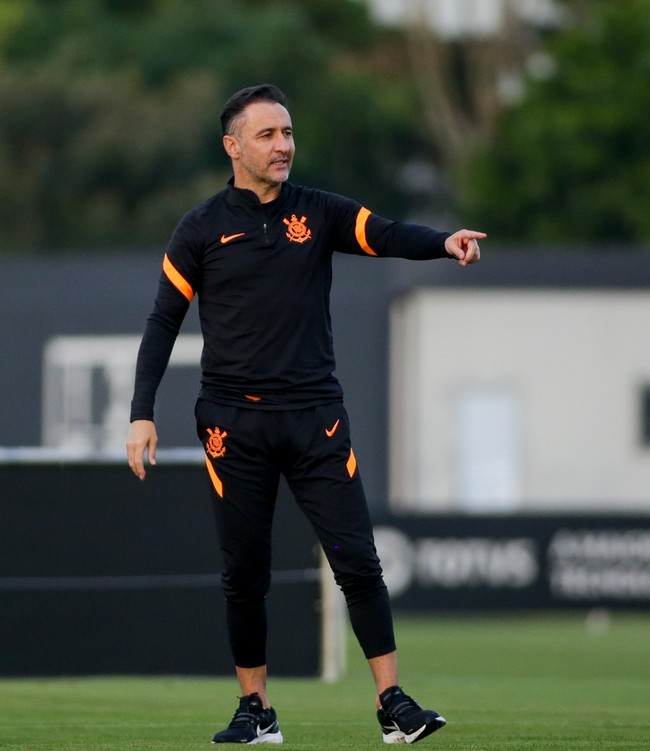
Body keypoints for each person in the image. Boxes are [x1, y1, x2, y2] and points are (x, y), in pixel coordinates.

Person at [126, 84, 484, 745]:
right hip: (234, 425)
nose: (284, 144)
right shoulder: (201, 227)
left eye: (288, 132)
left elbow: (384, 234)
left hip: (315, 418)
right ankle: (256, 710)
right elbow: (161, 322)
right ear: (234, 147)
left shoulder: (317, 212)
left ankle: (392, 704)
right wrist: (141, 412)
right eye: (267, 135)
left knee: (359, 563)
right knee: (245, 572)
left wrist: (443, 241)